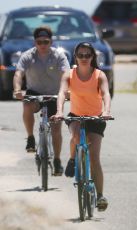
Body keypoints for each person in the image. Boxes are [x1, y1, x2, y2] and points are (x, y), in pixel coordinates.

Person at [52, 42, 112, 210]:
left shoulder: (99, 75)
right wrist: (59, 111)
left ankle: (100, 195)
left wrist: (106, 110)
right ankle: (72, 159)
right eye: (81, 55)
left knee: (94, 158)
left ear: (93, 57)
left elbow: (106, 93)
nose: (84, 58)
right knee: (76, 135)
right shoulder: (69, 74)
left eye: (87, 55)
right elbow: (62, 93)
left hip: (96, 118)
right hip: (76, 116)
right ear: (75, 57)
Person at [13, 26, 70, 176]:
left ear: (51, 41)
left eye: (46, 41)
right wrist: (17, 89)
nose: (43, 45)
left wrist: (67, 91)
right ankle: (31, 138)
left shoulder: (59, 55)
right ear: (35, 42)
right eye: (39, 42)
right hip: (35, 92)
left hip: (54, 94)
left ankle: (57, 161)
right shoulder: (27, 56)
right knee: (27, 105)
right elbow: (19, 73)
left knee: (56, 128)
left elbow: (66, 74)